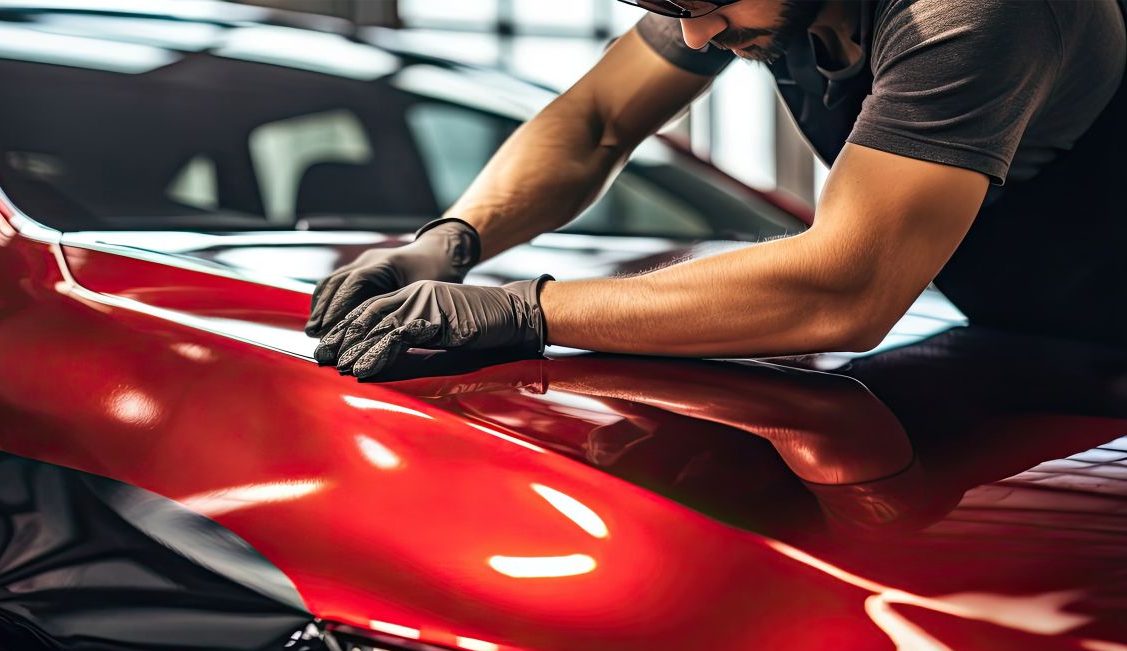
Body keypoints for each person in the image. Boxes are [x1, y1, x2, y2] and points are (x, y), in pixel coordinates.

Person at [308, 0, 1126, 380]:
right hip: (1022, 343)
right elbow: (595, 119)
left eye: (707, 4)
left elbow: (847, 290)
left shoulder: (977, 13)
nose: (697, 35)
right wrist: (452, 239)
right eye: (669, 5)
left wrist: (523, 309)